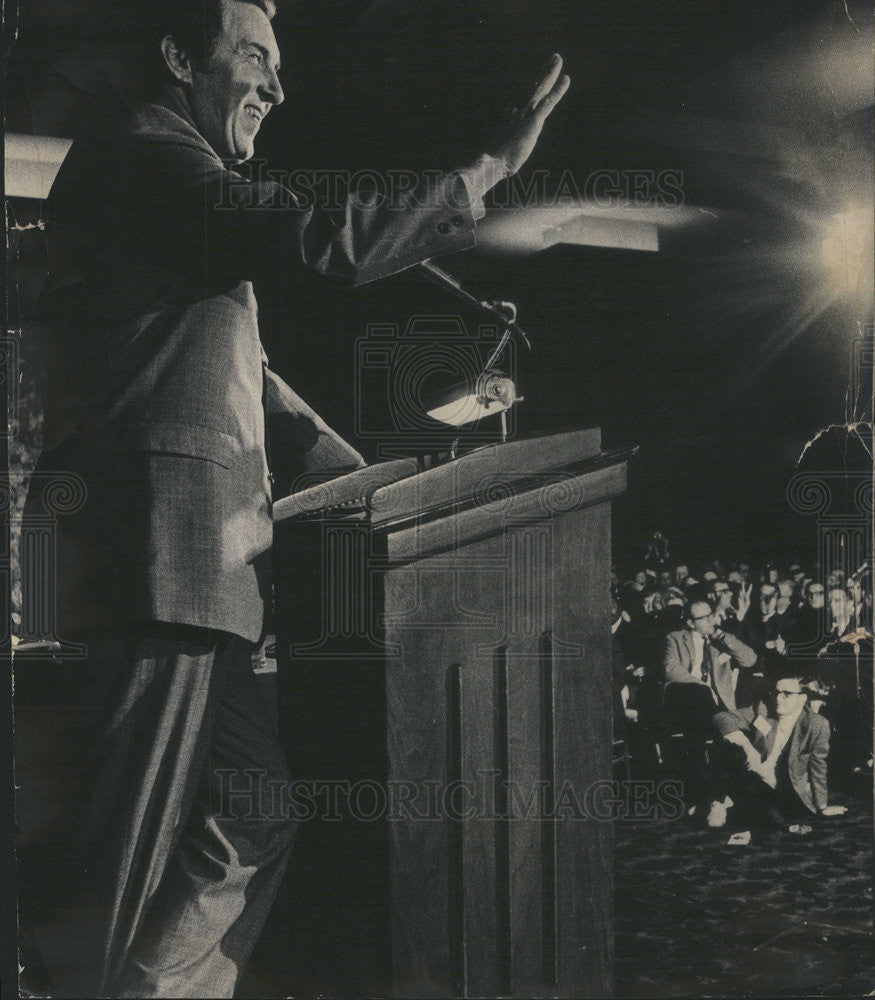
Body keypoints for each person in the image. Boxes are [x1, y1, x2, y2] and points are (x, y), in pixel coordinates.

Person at [19, 3, 570, 996]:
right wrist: (480, 173)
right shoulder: (146, 149)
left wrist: (393, 487)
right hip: (148, 558)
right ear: (179, 57)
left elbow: (258, 393)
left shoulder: (180, 203)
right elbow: (320, 242)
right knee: (123, 869)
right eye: (253, 58)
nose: (276, 87)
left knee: (255, 809)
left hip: (199, 571)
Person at [709, 672, 847, 829]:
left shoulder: (817, 724)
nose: (778, 699)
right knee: (729, 752)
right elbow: (720, 718)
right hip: (753, 778)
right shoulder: (762, 708)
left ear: (802, 699)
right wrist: (746, 745)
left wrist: (822, 806)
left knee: (775, 819)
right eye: (776, 692)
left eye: (786, 694)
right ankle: (721, 802)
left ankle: (724, 805)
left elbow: (818, 765)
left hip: (783, 786)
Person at [661, 598, 758, 732]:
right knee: (701, 694)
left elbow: (750, 659)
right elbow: (670, 669)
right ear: (691, 623)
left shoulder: (720, 640)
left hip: (717, 701)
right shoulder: (675, 638)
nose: (711, 620)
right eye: (704, 618)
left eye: (711, 615)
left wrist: (721, 635)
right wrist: (702, 685)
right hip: (687, 696)